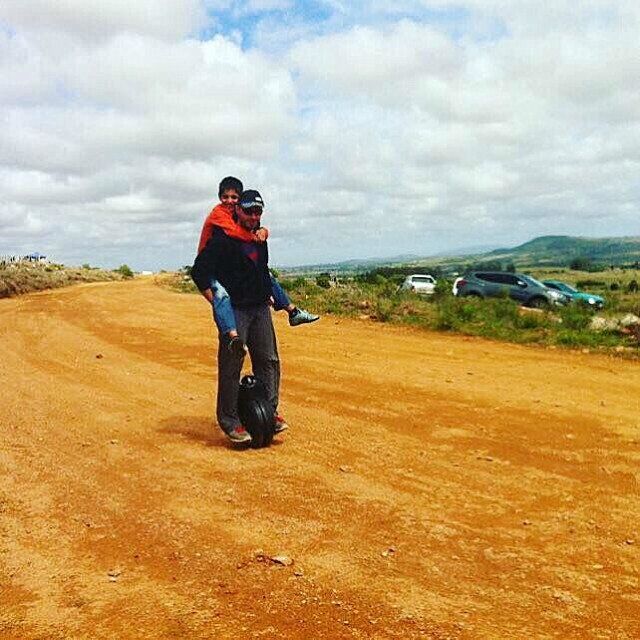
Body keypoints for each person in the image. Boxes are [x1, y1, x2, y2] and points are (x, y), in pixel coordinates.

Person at [191, 189, 286, 444]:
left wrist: (269, 294)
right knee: (232, 365)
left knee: (269, 361)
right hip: (236, 311)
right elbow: (199, 272)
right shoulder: (222, 240)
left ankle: (269, 412)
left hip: (260, 309)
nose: (253, 216)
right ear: (238, 210)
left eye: (258, 212)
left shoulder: (259, 238)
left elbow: (262, 271)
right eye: (249, 211)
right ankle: (230, 420)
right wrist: (215, 300)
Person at [197, 176, 318, 356]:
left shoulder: (241, 217)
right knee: (221, 297)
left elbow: (254, 232)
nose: (229, 201)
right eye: (225, 197)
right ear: (220, 198)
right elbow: (234, 232)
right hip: (213, 269)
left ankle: (292, 311)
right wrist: (255, 237)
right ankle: (233, 336)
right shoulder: (219, 215)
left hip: (255, 300)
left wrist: (263, 232)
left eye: (234, 197)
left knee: (268, 277)